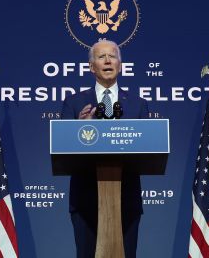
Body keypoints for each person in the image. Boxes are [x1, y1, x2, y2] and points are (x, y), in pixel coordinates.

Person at [61, 40, 149, 258]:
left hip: (126, 199)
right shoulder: (73, 103)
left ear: (120, 65)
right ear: (92, 67)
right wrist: (79, 129)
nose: (108, 61)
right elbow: (61, 148)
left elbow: (147, 147)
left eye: (113, 57)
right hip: (85, 200)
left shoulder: (138, 104)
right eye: (101, 57)